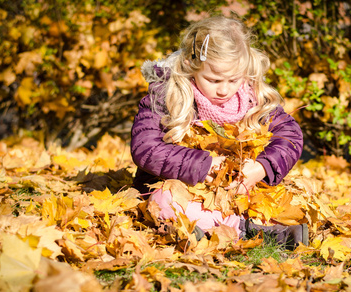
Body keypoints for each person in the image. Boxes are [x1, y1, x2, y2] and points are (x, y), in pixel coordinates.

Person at [131, 16, 307, 248]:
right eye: (213, 80)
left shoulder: (254, 98)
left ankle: (237, 225)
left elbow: (290, 136)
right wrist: (202, 166)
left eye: (233, 80)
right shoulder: (167, 96)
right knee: (164, 202)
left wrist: (263, 167)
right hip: (185, 189)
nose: (224, 90)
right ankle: (245, 232)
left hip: (238, 189)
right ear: (190, 66)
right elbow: (146, 148)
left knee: (285, 198)